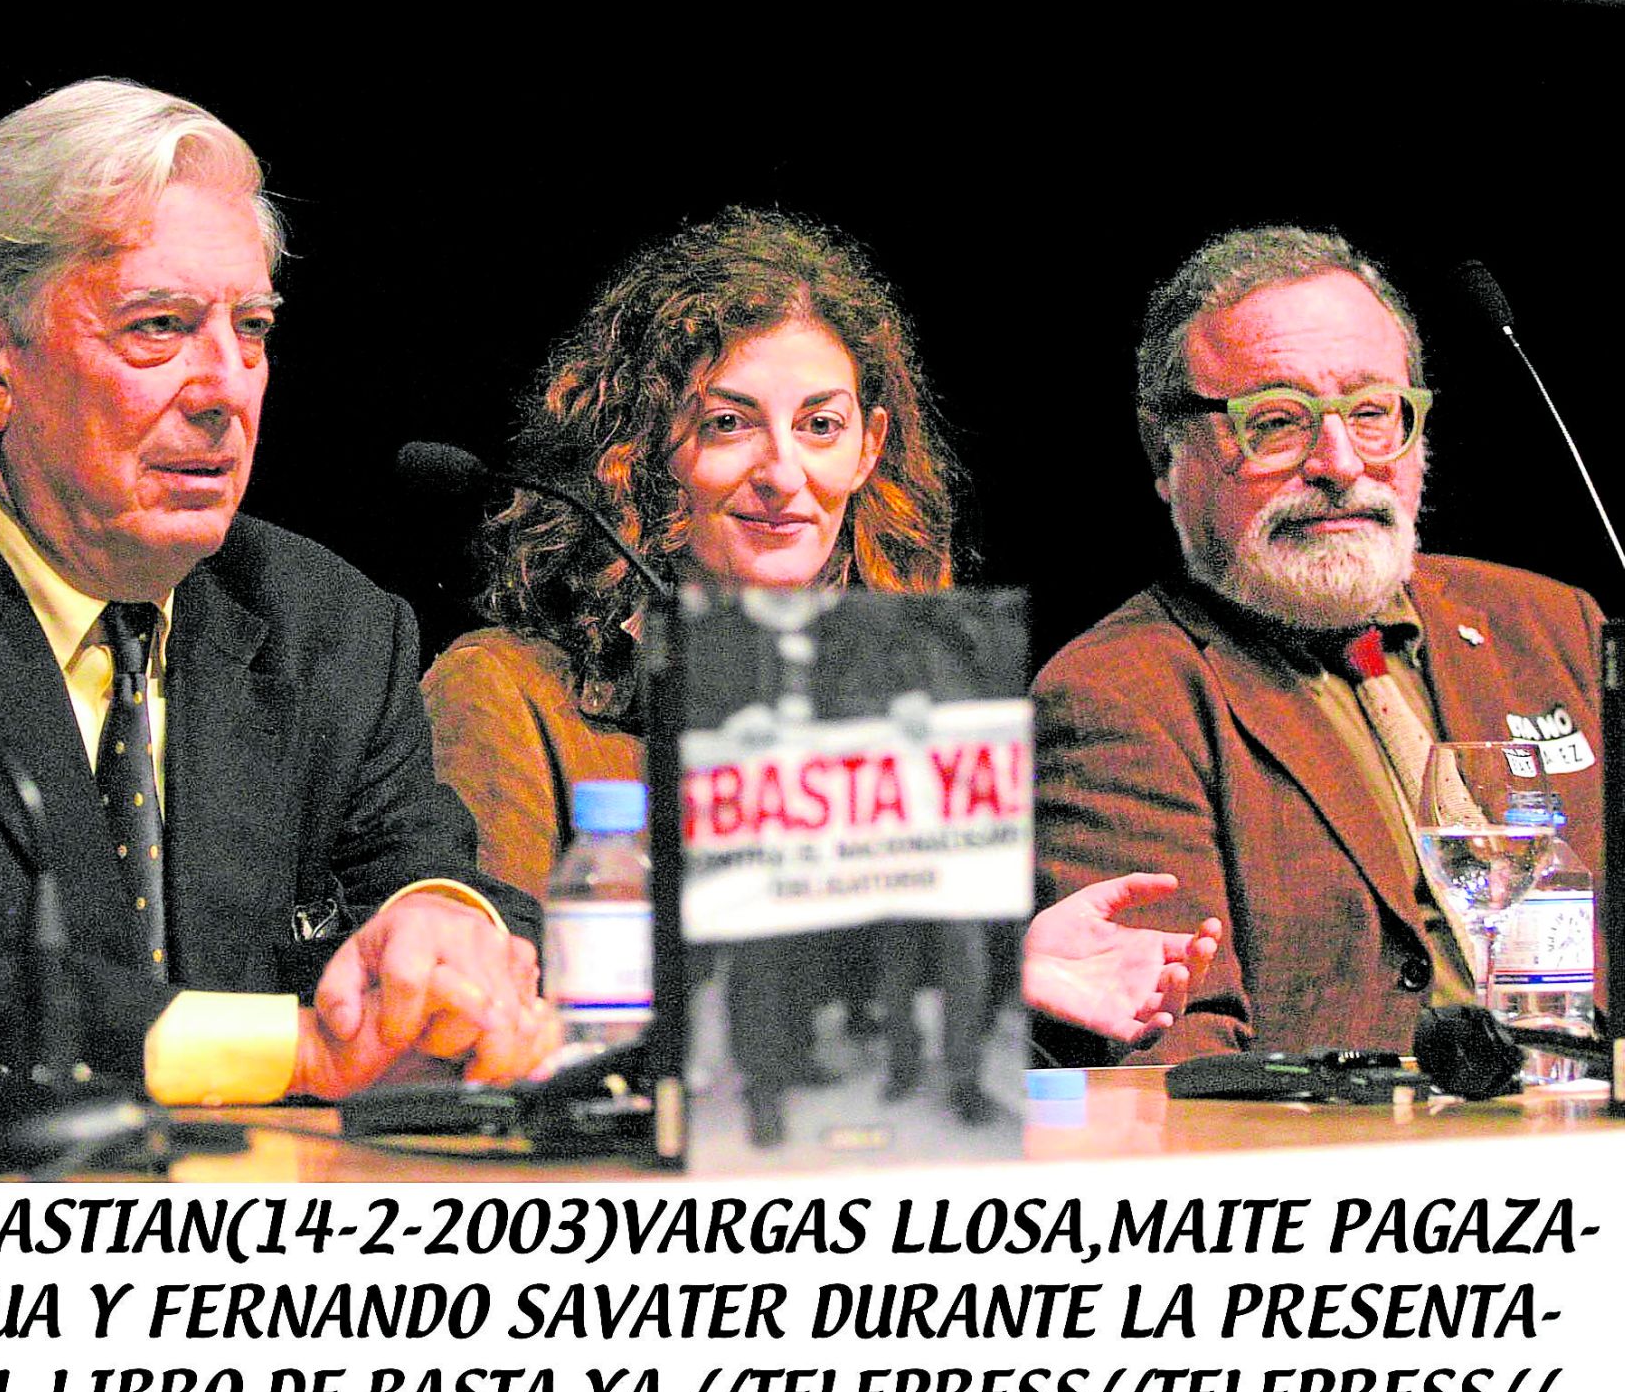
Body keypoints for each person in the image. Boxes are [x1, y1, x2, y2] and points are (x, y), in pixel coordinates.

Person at [0, 79, 553, 1109]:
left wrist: (444, 923)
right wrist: (292, 1050)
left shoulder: (329, 624)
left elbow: (425, 872)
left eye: (252, 327)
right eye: (160, 326)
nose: (225, 385)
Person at [423, 208, 1219, 1136]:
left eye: (820, 425)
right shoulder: (503, 693)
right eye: (728, 424)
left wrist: (1008, 986)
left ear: (868, 446)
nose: (783, 472)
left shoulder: (897, 711)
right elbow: (509, 1028)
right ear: (636, 451)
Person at [1033, 226, 1606, 1065]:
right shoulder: (1118, 696)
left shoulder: (1551, 627)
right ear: (1168, 453)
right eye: (1275, 421)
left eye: (1374, 414)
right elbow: (1180, 1072)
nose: (1340, 463)